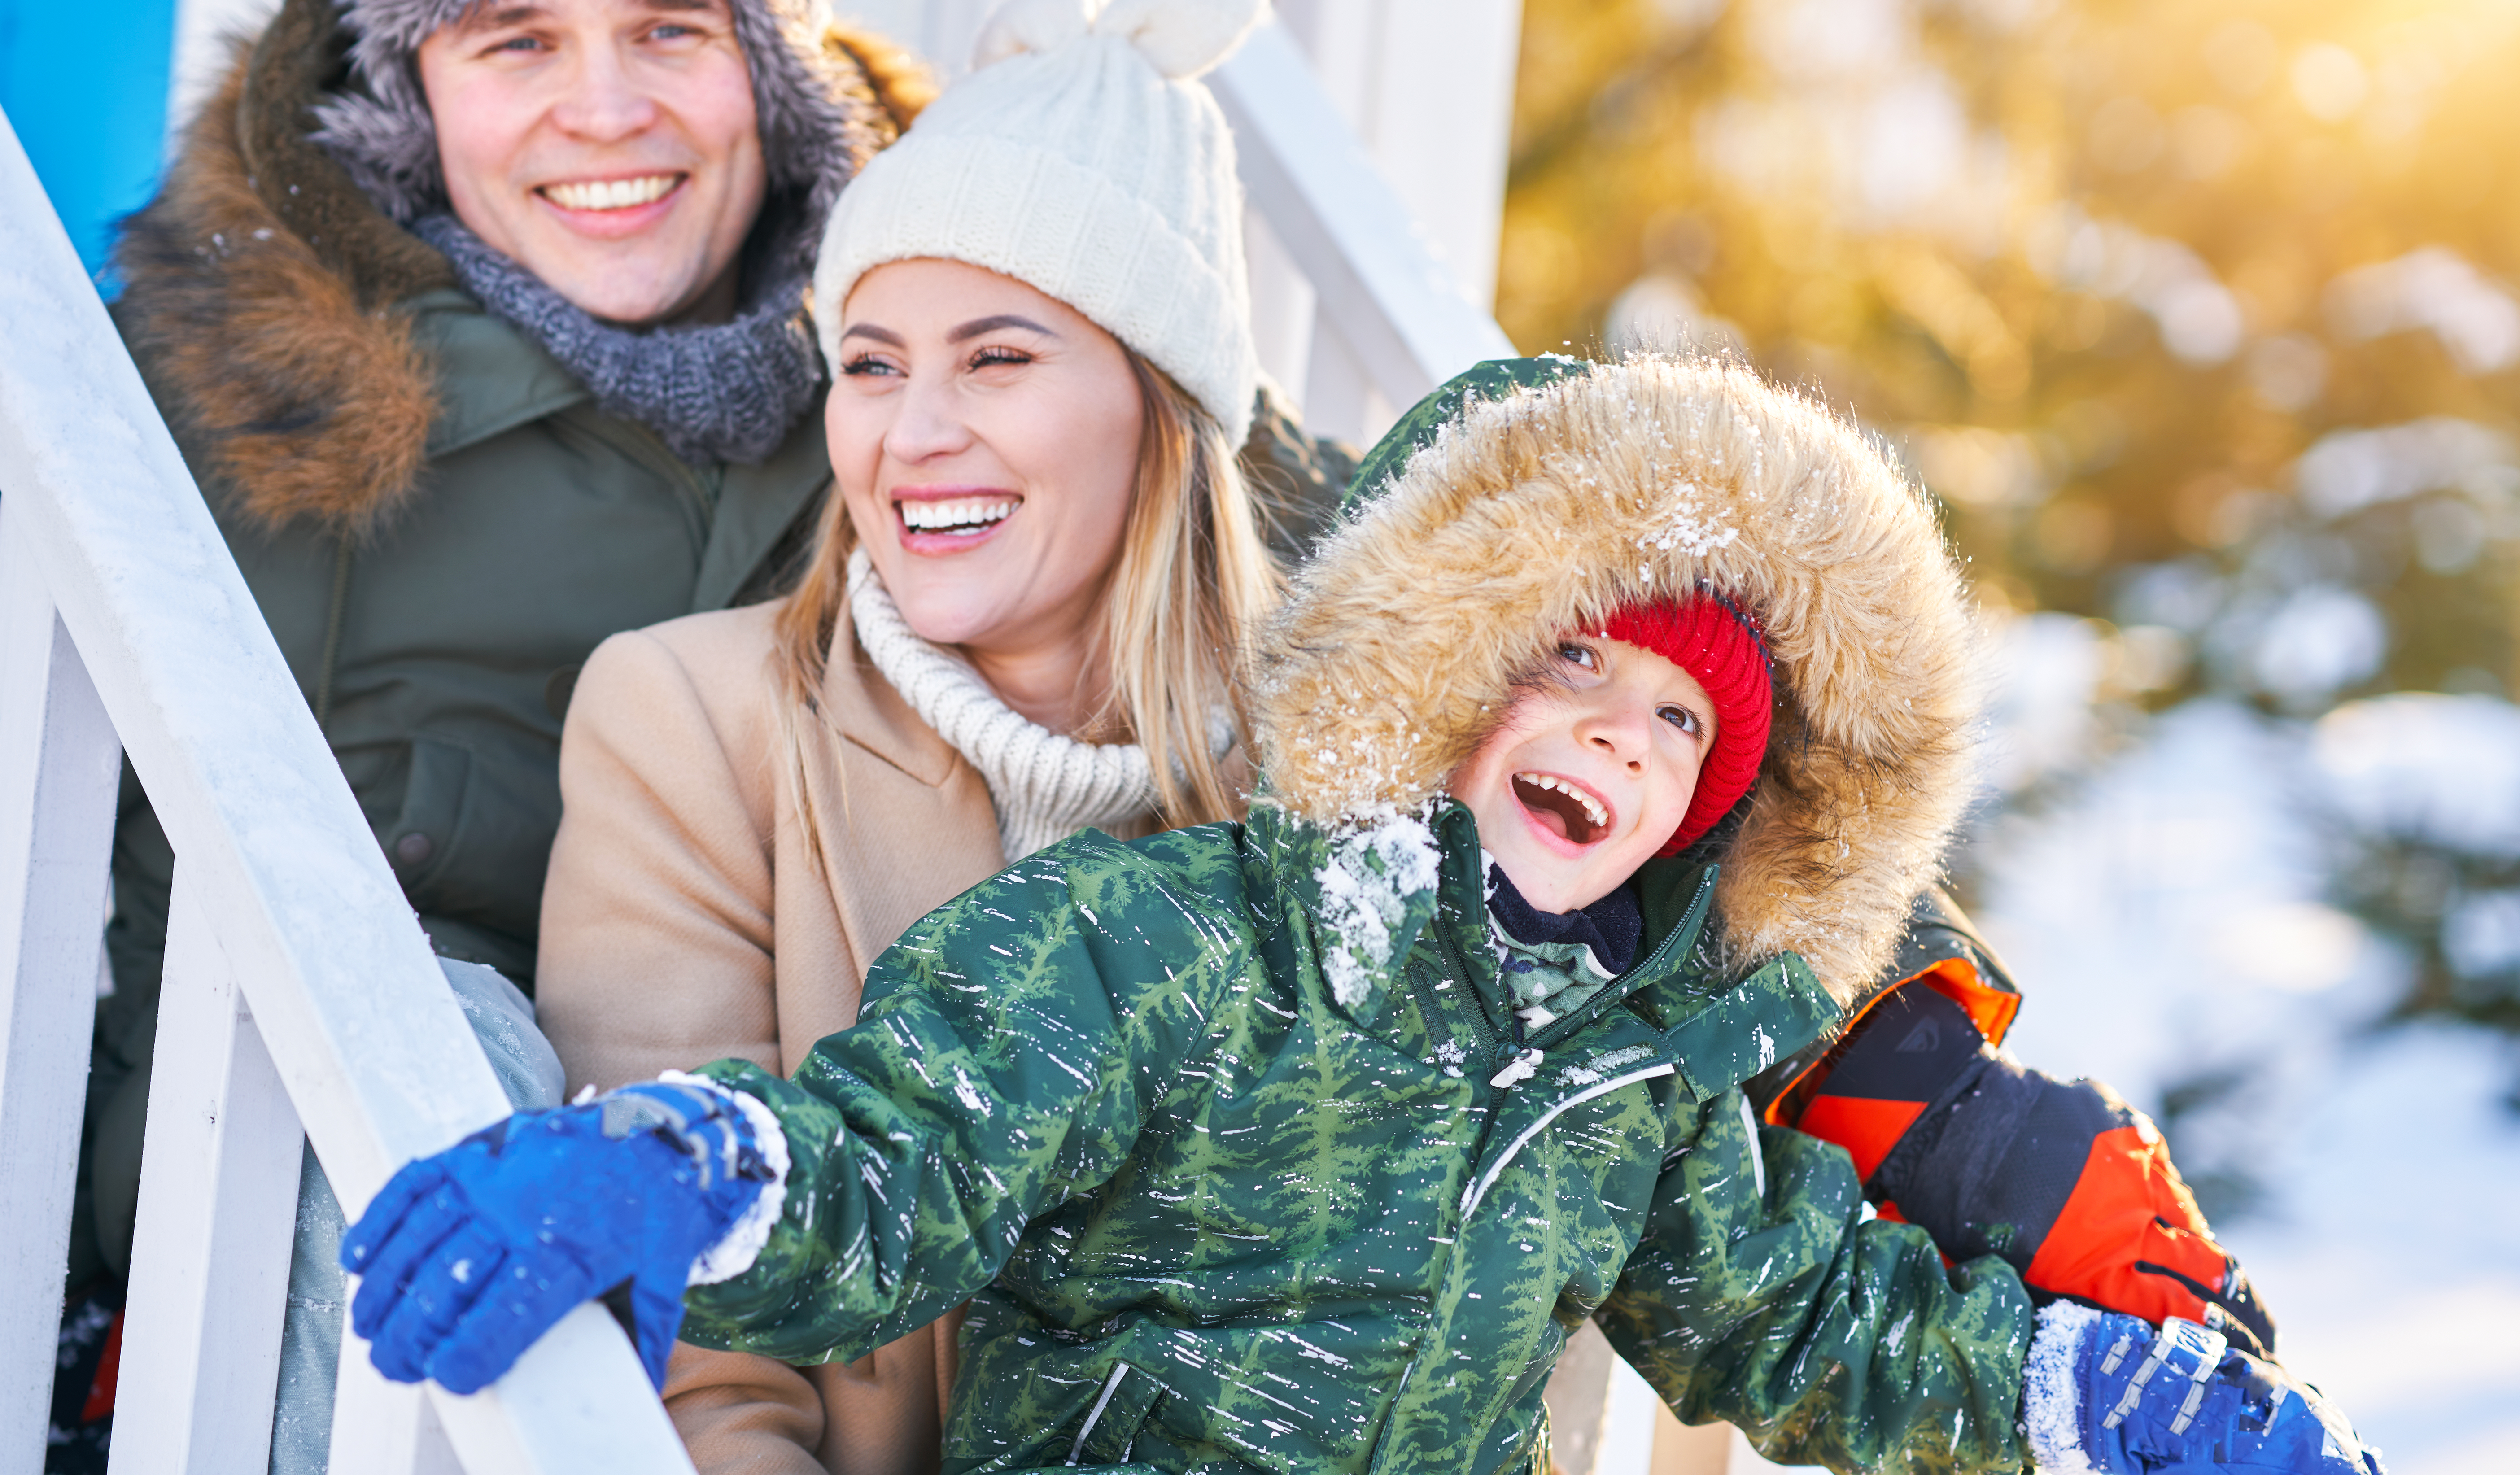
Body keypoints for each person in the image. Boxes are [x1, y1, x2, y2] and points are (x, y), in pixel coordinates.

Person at [338, 349, 2383, 1475]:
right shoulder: (1171, 946)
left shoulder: (1642, 1093)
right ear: (1439, 665)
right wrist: (697, 1174)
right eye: (1569, 659)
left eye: (1681, 721)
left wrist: (2091, 1398)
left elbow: (1806, 1323)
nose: (1616, 732)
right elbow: (910, 1164)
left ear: (1712, 817)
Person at [71, 0, 923, 1457]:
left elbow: (1278, 551)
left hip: (779, 1153)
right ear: (410, 99)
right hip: (296, 1156)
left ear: (774, 63)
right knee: (448, 1065)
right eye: (513, 38)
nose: (603, 111)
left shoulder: (927, 354)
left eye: (670, 26)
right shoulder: (228, 374)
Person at [533, 0, 1280, 1474]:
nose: (915, 433)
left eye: (998, 358)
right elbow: (697, 1346)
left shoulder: (1337, 791)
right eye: (871, 365)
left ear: (1160, 405)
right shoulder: (690, 718)